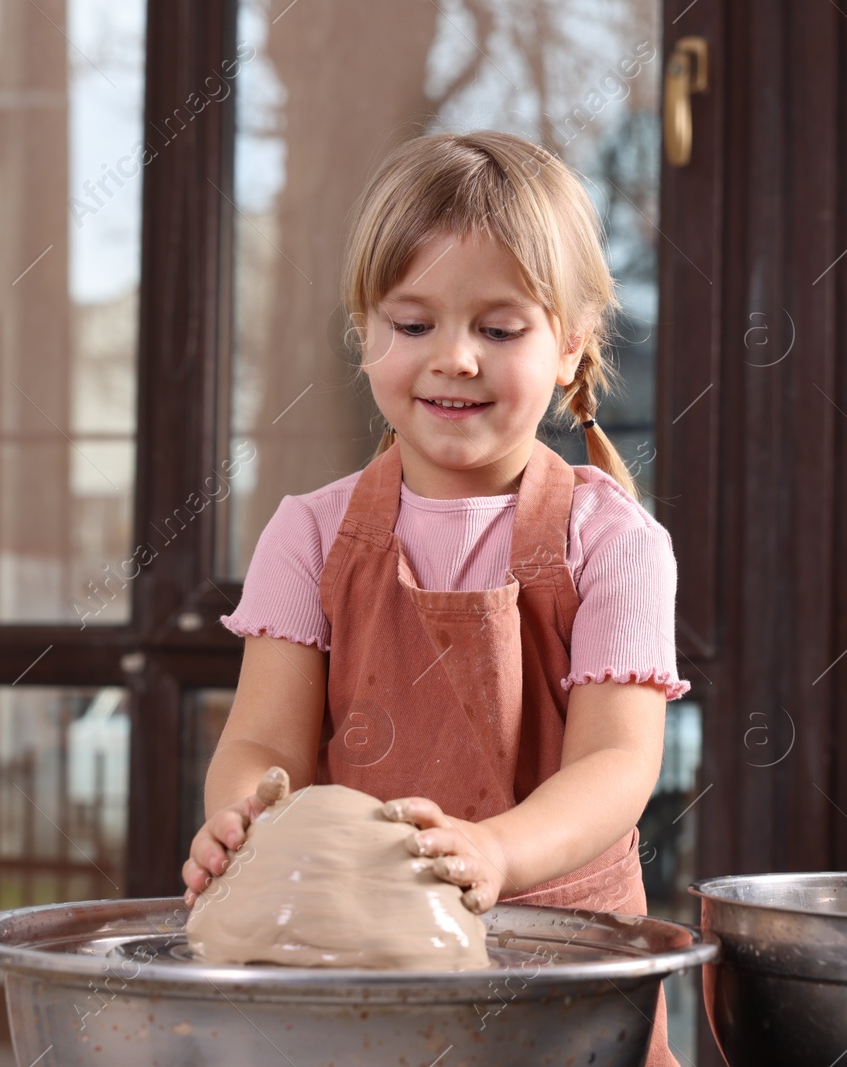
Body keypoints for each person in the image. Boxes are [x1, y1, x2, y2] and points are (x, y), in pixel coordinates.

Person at [181, 129, 689, 1065]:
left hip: (561, 975)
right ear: (365, 336)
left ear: (572, 348)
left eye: (499, 330)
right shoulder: (309, 533)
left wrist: (496, 854)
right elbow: (263, 742)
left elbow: (618, 767)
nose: (454, 358)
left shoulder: (614, 540)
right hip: (359, 987)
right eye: (413, 325)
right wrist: (244, 821)